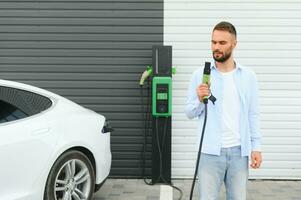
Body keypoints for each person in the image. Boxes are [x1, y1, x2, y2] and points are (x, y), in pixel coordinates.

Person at [185, 21, 262, 200]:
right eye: (213, 42)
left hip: (239, 153)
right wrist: (198, 99)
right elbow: (189, 112)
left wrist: (256, 147)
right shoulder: (200, 75)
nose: (216, 47)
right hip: (209, 153)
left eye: (222, 43)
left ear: (234, 44)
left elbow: (253, 114)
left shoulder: (248, 76)